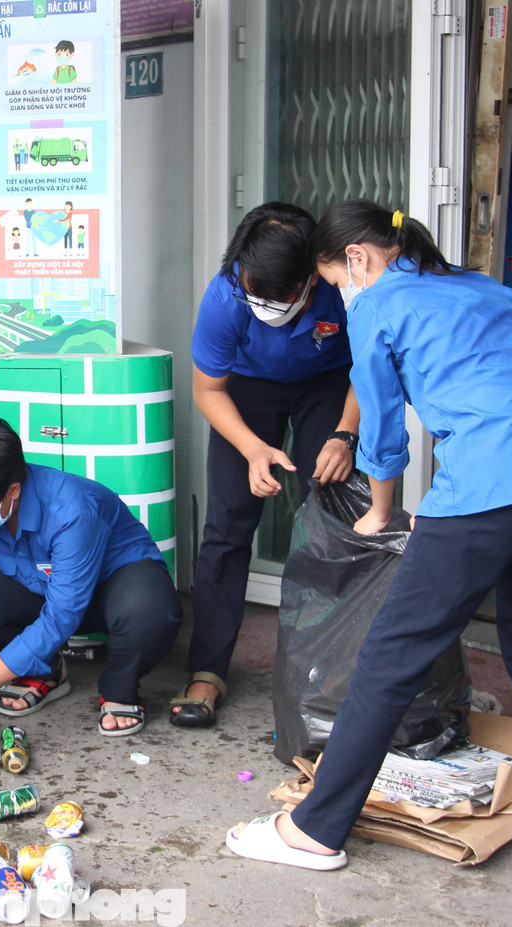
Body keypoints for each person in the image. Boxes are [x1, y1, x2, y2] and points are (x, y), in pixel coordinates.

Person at [227, 200, 512, 874]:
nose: (341, 294)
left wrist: (380, 511)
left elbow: (383, 429)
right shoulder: (484, 287)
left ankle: (314, 831)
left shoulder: (377, 304)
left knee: (390, 656)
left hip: (489, 484)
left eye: (336, 280)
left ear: (358, 258)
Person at [173, 202, 360, 729]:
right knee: (227, 525)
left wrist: (345, 435)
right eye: (254, 294)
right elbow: (208, 390)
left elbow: (370, 370)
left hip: (330, 384)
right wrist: (253, 449)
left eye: (277, 298)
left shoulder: (344, 289)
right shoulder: (226, 295)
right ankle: (207, 671)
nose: (263, 306)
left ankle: (330, 677)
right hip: (247, 389)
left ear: (311, 277)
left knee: (333, 515)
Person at [0, 419, 182, 736]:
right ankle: (46, 673)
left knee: (149, 612)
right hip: (44, 589)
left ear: (13, 490)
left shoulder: (71, 510)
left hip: (113, 588)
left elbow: (62, 614)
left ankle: (119, 689)